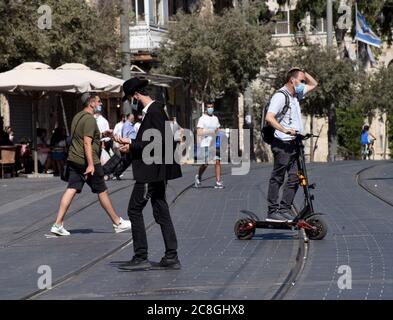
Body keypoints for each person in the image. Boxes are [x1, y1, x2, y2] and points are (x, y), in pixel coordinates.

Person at [114, 77, 182, 270]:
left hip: (150, 172)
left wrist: (131, 145)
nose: (130, 103)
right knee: (161, 210)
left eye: (129, 99)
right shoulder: (155, 110)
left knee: (134, 210)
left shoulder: (154, 112)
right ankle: (171, 255)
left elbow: (157, 143)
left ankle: (140, 256)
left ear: (136, 95)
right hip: (156, 172)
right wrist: (131, 145)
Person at [50, 92, 131, 236]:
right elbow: (87, 143)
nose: (100, 104)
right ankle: (117, 222)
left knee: (72, 188)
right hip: (88, 161)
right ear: (91, 103)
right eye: (99, 101)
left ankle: (57, 224)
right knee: (102, 191)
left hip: (74, 159)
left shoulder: (77, 117)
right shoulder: (89, 120)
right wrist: (91, 165)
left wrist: (102, 134)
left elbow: (84, 137)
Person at [265, 67, 318, 222]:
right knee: (278, 177)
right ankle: (272, 211)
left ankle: (284, 209)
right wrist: (285, 130)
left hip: (294, 143)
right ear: (292, 80)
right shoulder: (280, 96)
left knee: (295, 177)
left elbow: (314, 84)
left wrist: (303, 71)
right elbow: (270, 117)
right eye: (301, 81)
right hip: (282, 143)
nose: (303, 84)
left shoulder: (296, 94)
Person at [194, 100, 224, 189]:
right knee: (205, 163)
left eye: (212, 107)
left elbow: (218, 130)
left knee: (217, 161)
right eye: (209, 107)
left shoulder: (215, 118)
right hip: (206, 143)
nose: (210, 108)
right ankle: (198, 176)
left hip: (215, 143)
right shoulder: (202, 119)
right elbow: (199, 132)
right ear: (206, 108)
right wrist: (211, 132)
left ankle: (218, 181)